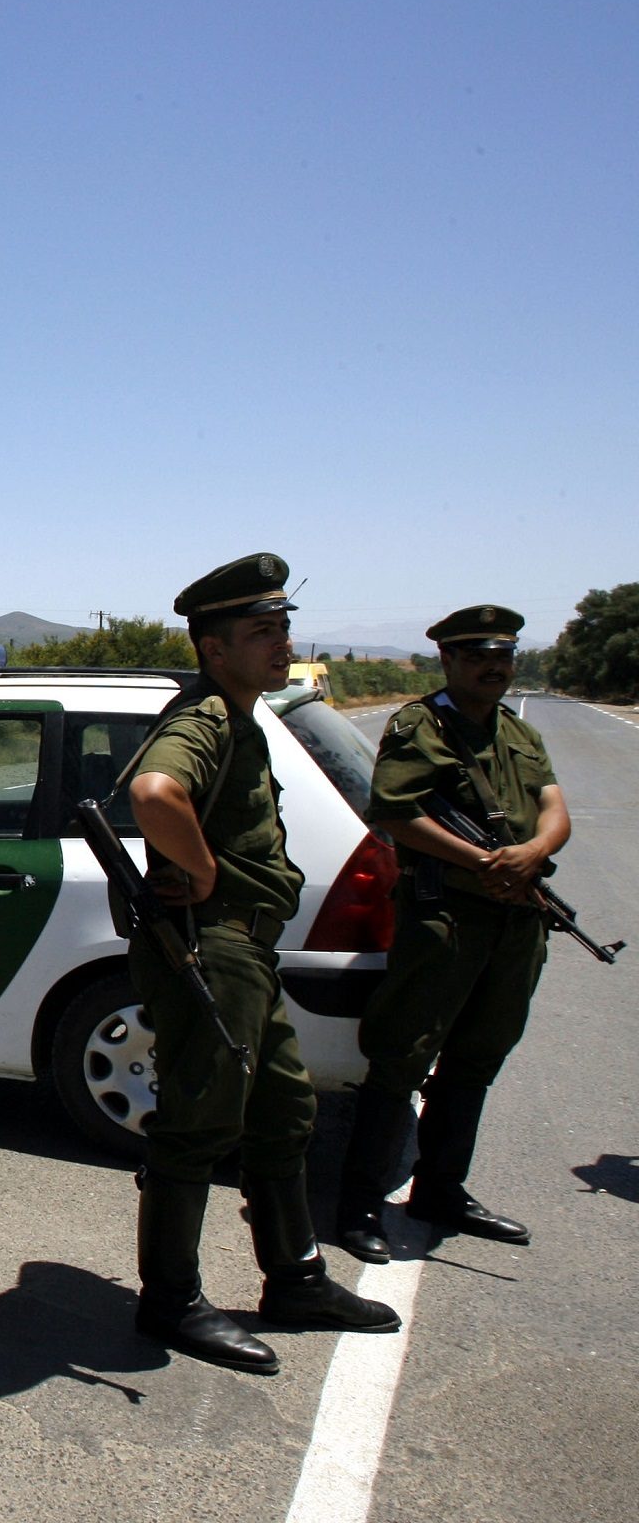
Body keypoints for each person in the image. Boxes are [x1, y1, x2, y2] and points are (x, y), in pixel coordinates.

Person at [124, 553, 397, 1374]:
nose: (282, 644)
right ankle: (169, 1301)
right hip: (211, 946)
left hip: (245, 950)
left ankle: (297, 1279)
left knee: (283, 1113)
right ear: (214, 648)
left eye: (283, 627)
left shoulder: (243, 717)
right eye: (262, 631)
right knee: (198, 1125)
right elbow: (154, 793)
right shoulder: (205, 719)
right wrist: (204, 871)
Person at [335, 606, 569, 1262]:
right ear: (449, 660)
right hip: (447, 920)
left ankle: (440, 1190)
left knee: (478, 1056)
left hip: (516, 920)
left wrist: (535, 852)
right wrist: (488, 862)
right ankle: (359, 1206)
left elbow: (553, 805)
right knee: (402, 1057)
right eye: (478, 656)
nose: (494, 667)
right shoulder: (422, 726)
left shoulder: (516, 729)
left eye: (504, 656)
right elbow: (395, 812)